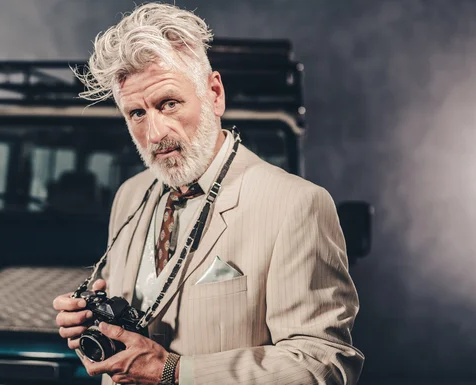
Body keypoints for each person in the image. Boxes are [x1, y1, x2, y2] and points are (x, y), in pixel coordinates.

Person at [53, 3, 364, 384]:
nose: (154, 134)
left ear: (214, 94)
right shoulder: (130, 196)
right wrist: (89, 323)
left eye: (169, 103)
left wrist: (174, 372)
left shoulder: (297, 205)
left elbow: (322, 365)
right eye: (136, 113)